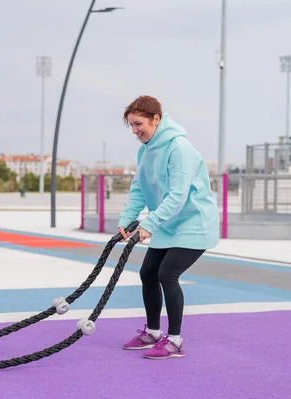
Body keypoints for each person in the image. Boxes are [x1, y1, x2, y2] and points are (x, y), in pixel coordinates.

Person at [117, 95, 219, 360]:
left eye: (139, 124)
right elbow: (139, 189)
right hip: (168, 223)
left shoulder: (179, 149)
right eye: (131, 126)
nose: (136, 131)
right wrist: (126, 221)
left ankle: (174, 340)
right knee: (147, 272)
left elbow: (178, 195)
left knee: (167, 274)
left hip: (193, 222)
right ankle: (152, 332)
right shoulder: (145, 150)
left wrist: (149, 223)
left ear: (156, 119)